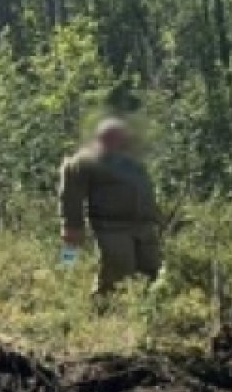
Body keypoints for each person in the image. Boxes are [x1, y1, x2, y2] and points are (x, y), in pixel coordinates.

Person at [58, 118, 162, 295]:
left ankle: (142, 314)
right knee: (116, 275)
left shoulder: (131, 162)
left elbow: (145, 190)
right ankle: (99, 312)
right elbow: (70, 196)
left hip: (143, 227)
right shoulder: (86, 161)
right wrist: (72, 226)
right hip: (112, 228)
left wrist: (157, 218)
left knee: (151, 273)